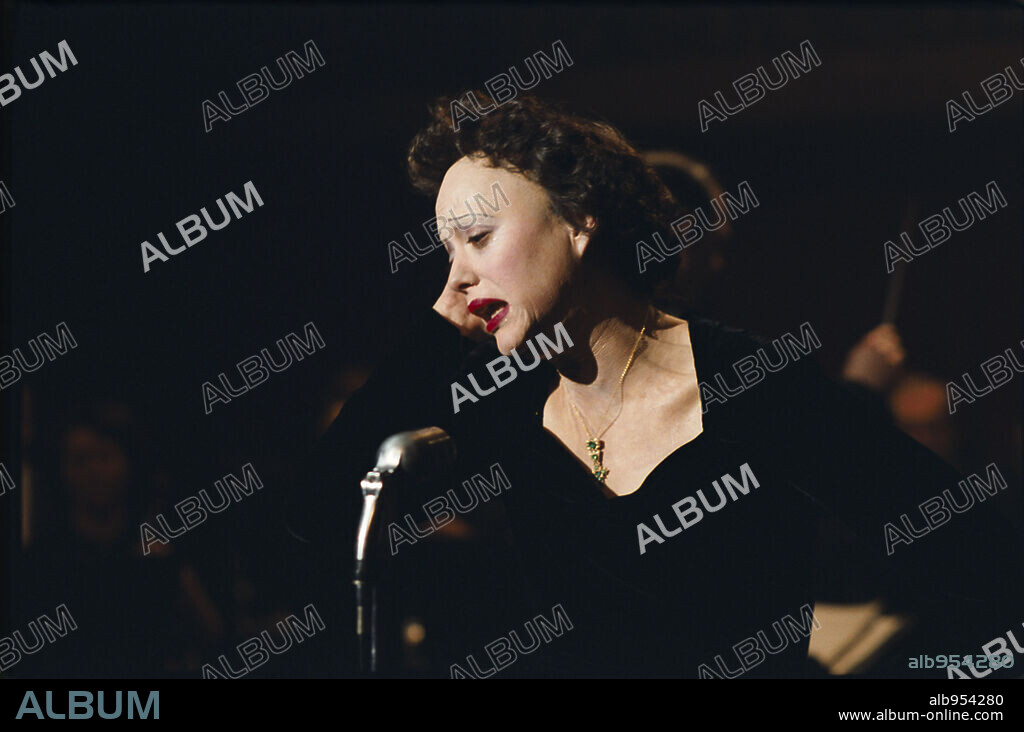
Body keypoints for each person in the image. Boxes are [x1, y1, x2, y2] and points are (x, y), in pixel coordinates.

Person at [286, 89, 1021, 678]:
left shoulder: (749, 382)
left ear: (578, 223)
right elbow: (310, 515)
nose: (457, 273)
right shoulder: (504, 402)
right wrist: (441, 328)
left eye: (477, 238)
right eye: (446, 250)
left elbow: (978, 558)